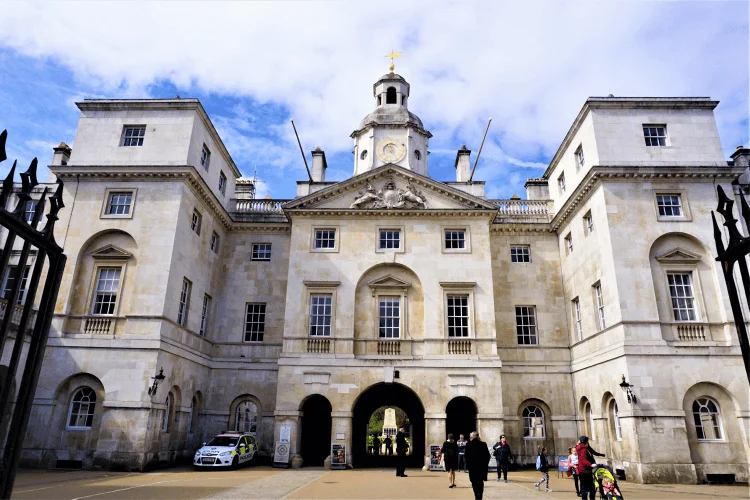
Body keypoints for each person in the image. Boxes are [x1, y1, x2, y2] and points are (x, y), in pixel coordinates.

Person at [576, 436, 604, 500]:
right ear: (586, 441)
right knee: (587, 488)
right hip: (585, 470)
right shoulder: (583, 449)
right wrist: (590, 464)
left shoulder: (586, 447)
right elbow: (582, 459)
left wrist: (601, 455)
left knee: (589, 487)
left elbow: (593, 452)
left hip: (587, 470)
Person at [465, 431, 490, 500]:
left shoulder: (468, 445)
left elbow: (466, 457)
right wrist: (485, 464)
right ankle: (479, 496)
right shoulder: (483, 444)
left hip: (472, 468)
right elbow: (488, 456)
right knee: (480, 482)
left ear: (471, 437)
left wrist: (468, 465)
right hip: (481, 468)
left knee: (474, 482)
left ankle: (476, 495)